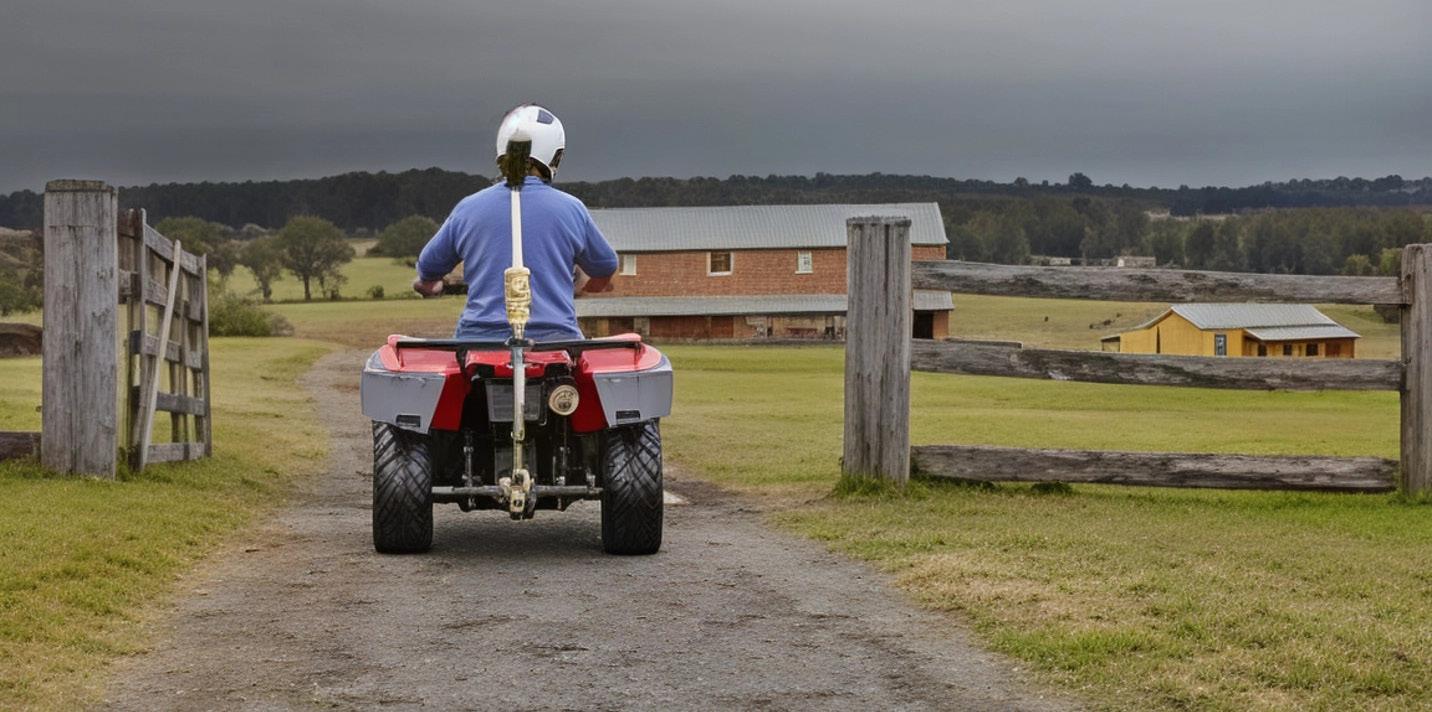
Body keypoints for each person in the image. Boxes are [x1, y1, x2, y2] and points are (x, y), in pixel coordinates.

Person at [412, 104, 617, 341]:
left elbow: (428, 269)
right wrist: (582, 287)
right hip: (555, 342)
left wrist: (429, 285)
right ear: (555, 155)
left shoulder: (467, 209)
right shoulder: (572, 209)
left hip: (478, 343)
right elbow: (605, 269)